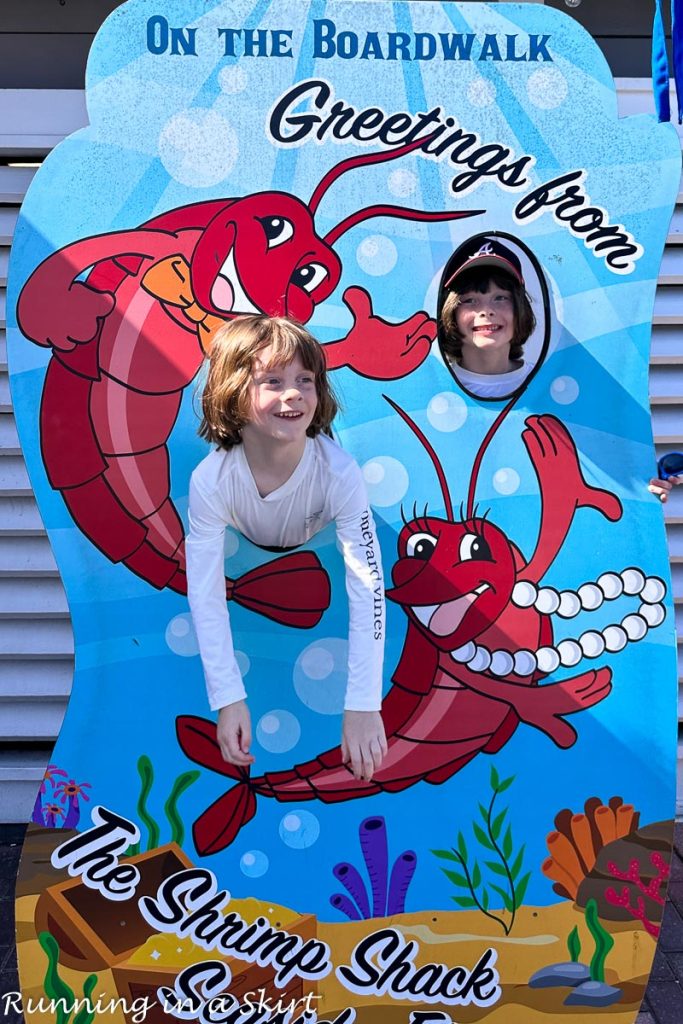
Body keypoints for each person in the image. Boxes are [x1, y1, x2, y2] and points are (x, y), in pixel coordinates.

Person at [186, 315, 387, 782]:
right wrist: (228, 697)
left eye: (305, 381)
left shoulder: (339, 473)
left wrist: (362, 702)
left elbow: (367, 584)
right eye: (272, 382)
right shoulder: (212, 482)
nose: (293, 393)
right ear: (233, 393)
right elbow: (206, 592)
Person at [440, 239, 536, 399]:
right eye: (470, 300)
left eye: (500, 298)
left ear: (520, 307)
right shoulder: (435, 389)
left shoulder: (544, 382)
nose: (487, 311)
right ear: (451, 311)